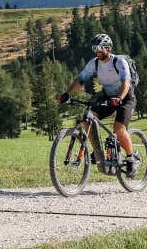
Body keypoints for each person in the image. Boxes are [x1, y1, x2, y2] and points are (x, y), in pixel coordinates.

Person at [58, 33, 140, 172]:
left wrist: (119, 97)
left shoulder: (119, 62)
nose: (97, 50)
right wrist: (67, 94)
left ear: (108, 48)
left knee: (119, 128)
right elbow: (80, 80)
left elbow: (126, 82)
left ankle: (131, 157)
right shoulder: (94, 63)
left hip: (125, 97)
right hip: (108, 96)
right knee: (87, 119)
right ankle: (97, 151)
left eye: (100, 47)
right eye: (95, 48)